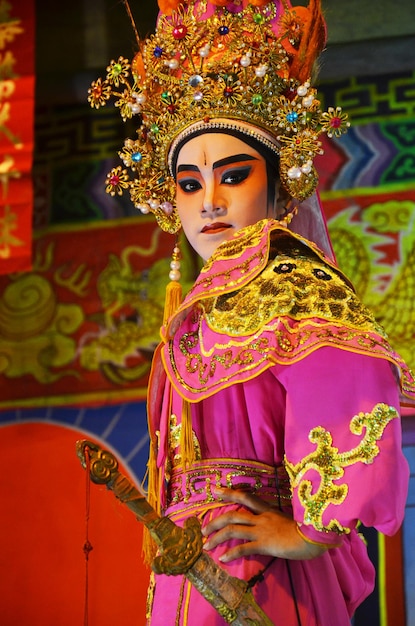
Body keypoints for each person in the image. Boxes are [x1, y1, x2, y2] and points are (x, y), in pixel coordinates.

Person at [88, 1, 415, 624]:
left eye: (232, 176)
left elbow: (358, 380)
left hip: (257, 569)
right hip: (186, 564)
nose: (208, 201)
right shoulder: (190, 310)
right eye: (188, 183)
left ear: (274, 183)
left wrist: (308, 534)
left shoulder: (288, 279)